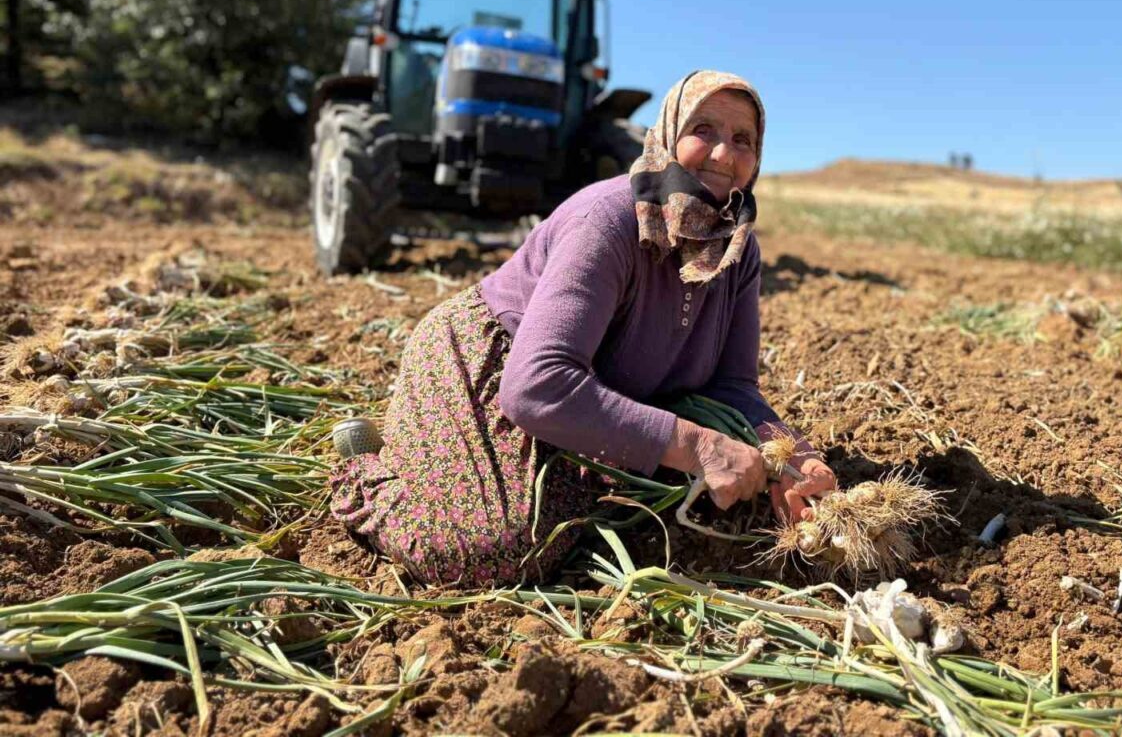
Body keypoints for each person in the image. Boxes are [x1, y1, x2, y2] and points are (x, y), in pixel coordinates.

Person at [331, 70, 839, 585]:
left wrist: (790, 450)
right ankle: (368, 470)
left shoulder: (736, 246)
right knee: (505, 545)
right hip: (492, 361)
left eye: (743, 140)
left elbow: (732, 388)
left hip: (587, 388)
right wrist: (702, 447)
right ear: (667, 134)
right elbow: (536, 384)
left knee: (608, 511)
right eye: (703, 130)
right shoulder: (611, 220)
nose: (724, 155)